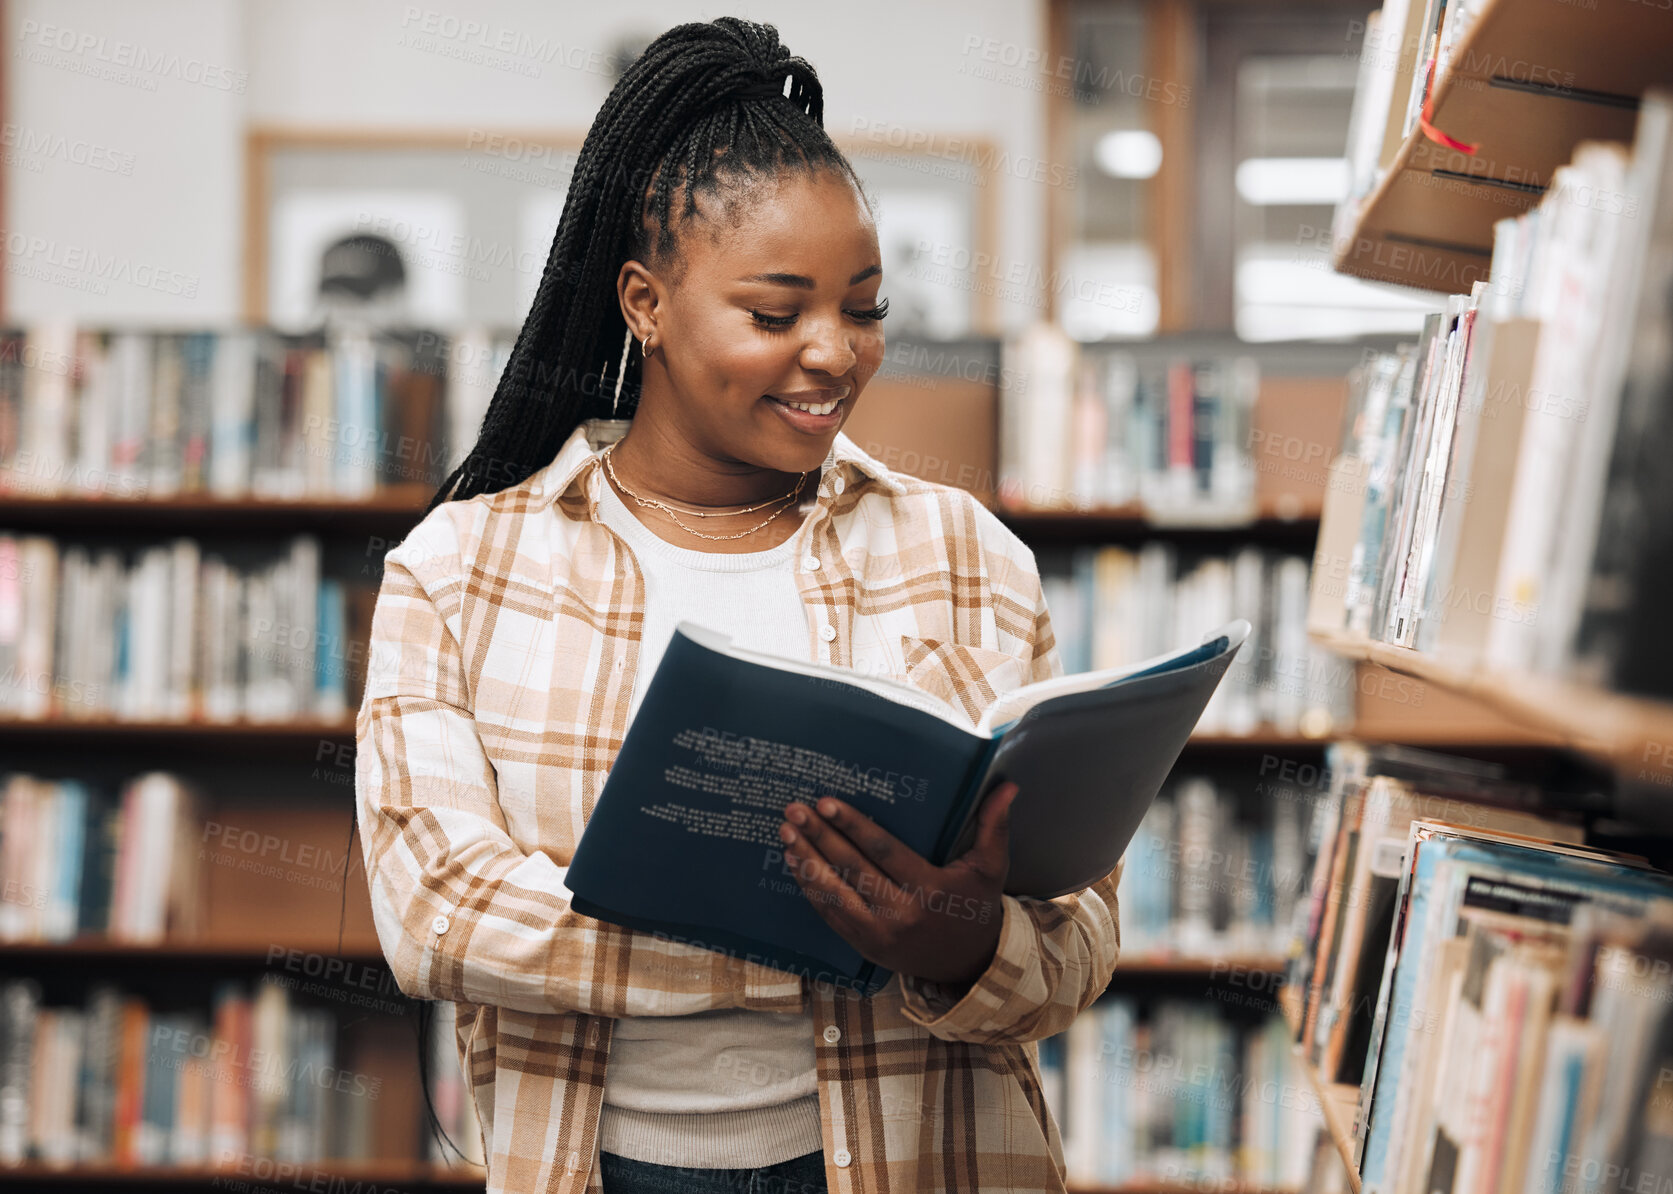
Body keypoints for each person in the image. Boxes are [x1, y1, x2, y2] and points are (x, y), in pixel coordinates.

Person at [354, 17, 1123, 1194]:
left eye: (860, 310)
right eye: (774, 315)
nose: (831, 355)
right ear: (645, 303)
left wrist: (965, 942)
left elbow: (1072, 941)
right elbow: (441, 914)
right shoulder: (461, 568)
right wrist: (859, 946)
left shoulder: (965, 554)